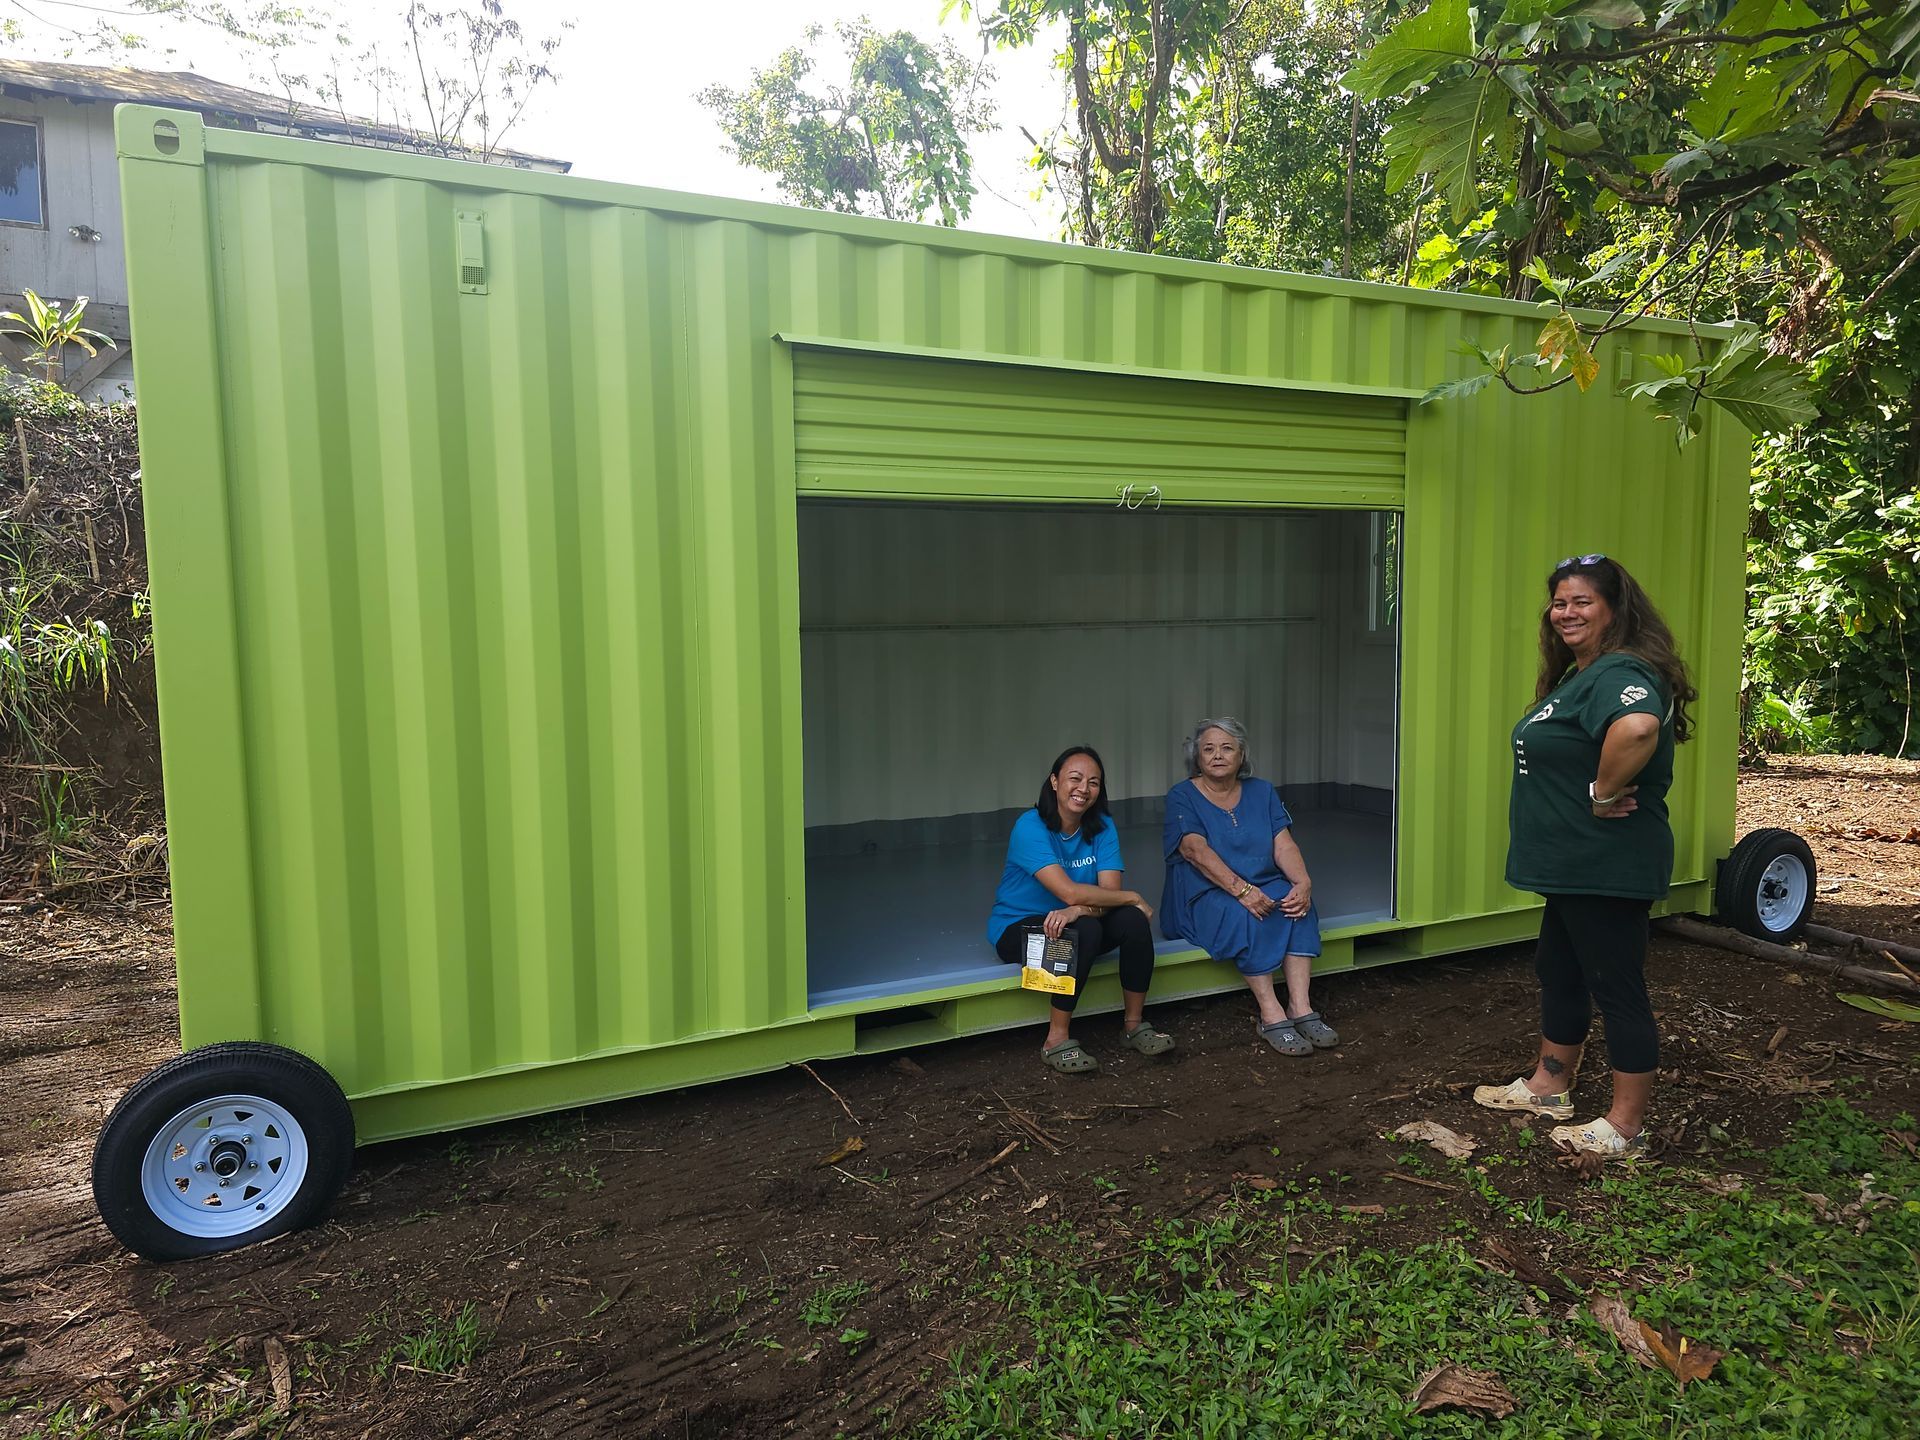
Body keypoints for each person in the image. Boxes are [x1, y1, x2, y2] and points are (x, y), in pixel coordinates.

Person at [1474, 553, 1696, 1161]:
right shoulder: (1582, 673)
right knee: (1560, 968)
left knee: (1615, 986)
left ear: (1615, 610)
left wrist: (1601, 793)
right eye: (1560, 602)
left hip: (1607, 862)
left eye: (1582, 602)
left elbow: (1638, 728)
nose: (1566, 612)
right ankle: (1550, 1086)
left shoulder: (1622, 670)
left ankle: (1625, 1127)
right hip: (1576, 864)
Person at [987, 745, 1174, 1074]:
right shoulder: (1030, 826)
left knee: (1131, 921)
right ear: (1055, 782)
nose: (1083, 789)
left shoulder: (1101, 825)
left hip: (1076, 924)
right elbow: (1069, 892)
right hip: (1016, 929)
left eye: (1094, 782)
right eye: (1075, 778)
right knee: (1088, 927)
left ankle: (1134, 1025)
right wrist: (1132, 896)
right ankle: (1056, 1040)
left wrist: (1082, 909)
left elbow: (1109, 894)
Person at [1159, 717, 1337, 1056]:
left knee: (1297, 904)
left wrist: (1303, 882)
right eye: (1208, 749)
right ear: (1197, 757)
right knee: (1243, 914)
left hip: (1260, 881)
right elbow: (1193, 850)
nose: (1217, 756)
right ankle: (1271, 1013)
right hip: (1203, 893)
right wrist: (1242, 891)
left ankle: (1301, 1007)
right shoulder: (1182, 795)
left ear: (1242, 755)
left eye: (1227, 748)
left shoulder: (1262, 791)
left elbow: (1283, 844)